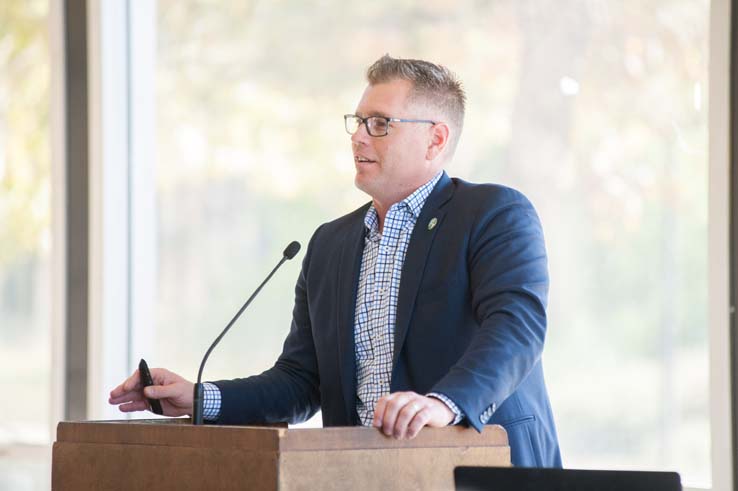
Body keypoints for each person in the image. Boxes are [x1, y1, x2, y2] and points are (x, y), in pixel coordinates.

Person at [109, 54, 562, 467]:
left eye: (381, 123)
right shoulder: (330, 244)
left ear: (434, 140)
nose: (359, 136)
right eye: (359, 121)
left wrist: (443, 402)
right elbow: (301, 382)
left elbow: (515, 329)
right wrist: (199, 398)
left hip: (484, 468)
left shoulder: (494, 213)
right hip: (364, 473)